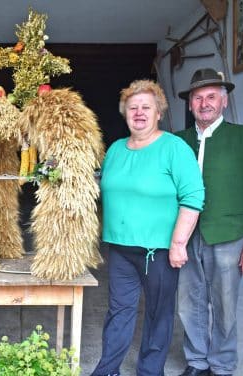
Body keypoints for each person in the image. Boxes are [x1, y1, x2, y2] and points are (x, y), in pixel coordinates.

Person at [91, 80, 205, 376]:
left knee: (158, 314)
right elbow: (102, 188)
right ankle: (107, 370)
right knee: (119, 312)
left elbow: (193, 197)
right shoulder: (115, 149)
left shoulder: (174, 148)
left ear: (158, 113)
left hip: (160, 250)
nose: (139, 113)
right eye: (133, 108)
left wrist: (179, 243)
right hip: (120, 248)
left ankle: (150, 371)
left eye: (146, 107)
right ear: (125, 113)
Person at [175, 68, 243, 376]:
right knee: (188, 304)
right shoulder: (178, 141)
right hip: (186, 236)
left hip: (229, 235)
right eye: (198, 97)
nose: (205, 103)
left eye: (211, 97)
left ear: (223, 101)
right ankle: (197, 361)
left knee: (225, 304)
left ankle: (222, 365)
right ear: (190, 104)